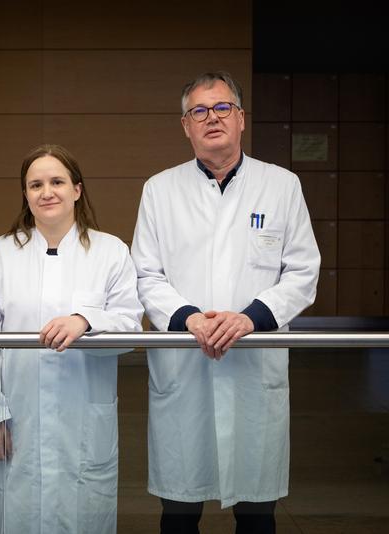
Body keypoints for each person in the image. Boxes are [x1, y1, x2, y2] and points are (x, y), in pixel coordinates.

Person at [131, 71, 321, 533]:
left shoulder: (281, 186)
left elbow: (303, 271)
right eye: (199, 111)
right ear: (185, 126)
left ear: (240, 119)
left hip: (253, 363)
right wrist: (189, 319)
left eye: (221, 109)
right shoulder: (160, 190)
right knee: (178, 510)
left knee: (257, 511)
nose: (211, 118)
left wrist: (250, 319)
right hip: (185, 363)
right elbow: (145, 274)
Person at [0, 144, 144, 533]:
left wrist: (86, 320)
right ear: (26, 194)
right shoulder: (0, 254)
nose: (47, 192)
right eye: (36, 184)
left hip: (83, 418)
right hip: (17, 417)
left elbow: (131, 325)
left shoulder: (110, 252)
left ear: (77, 190)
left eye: (57, 182)